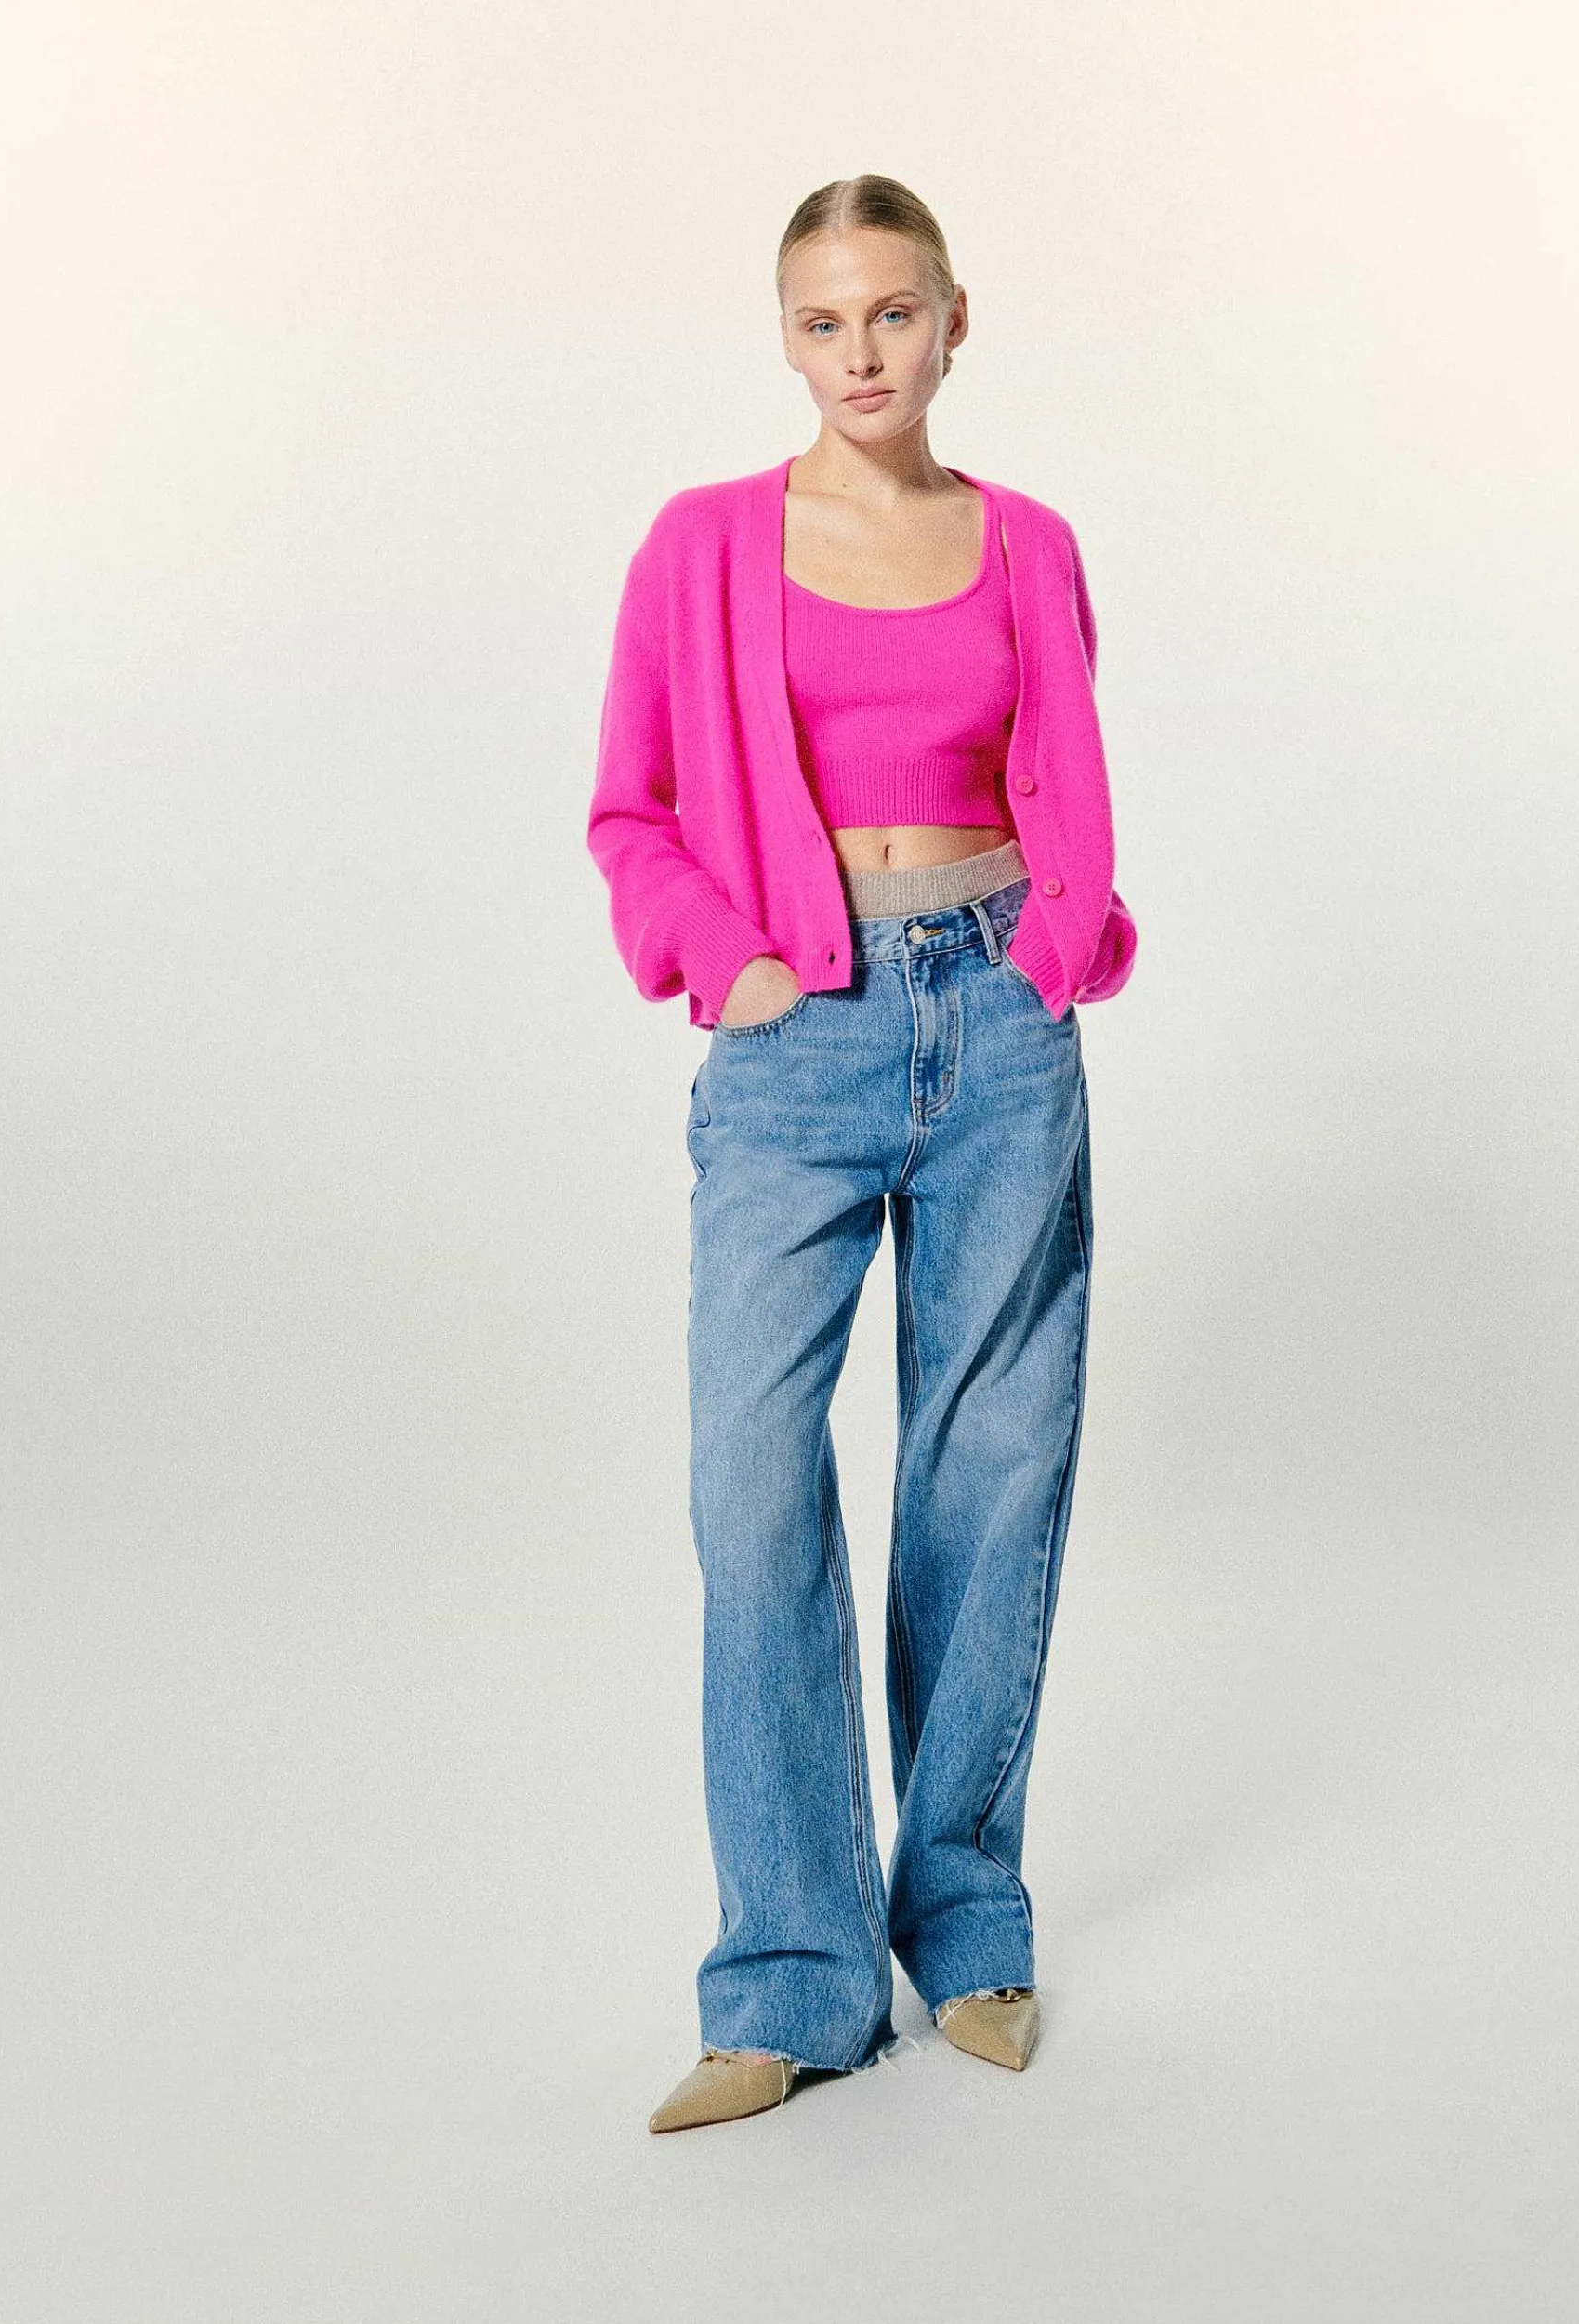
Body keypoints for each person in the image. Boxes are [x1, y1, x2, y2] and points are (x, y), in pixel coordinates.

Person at [586, 174, 1138, 2133]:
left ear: (954, 320)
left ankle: (968, 1919)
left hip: (998, 1023)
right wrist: (727, 963)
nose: (861, 353)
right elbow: (632, 807)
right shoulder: (704, 544)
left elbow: (1060, 778)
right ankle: (793, 1974)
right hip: (793, 1039)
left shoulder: (1027, 543)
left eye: (893, 313)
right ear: (786, 337)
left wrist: (1057, 953)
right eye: (823, 322)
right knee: (752, 1486)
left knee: (988, 1476)